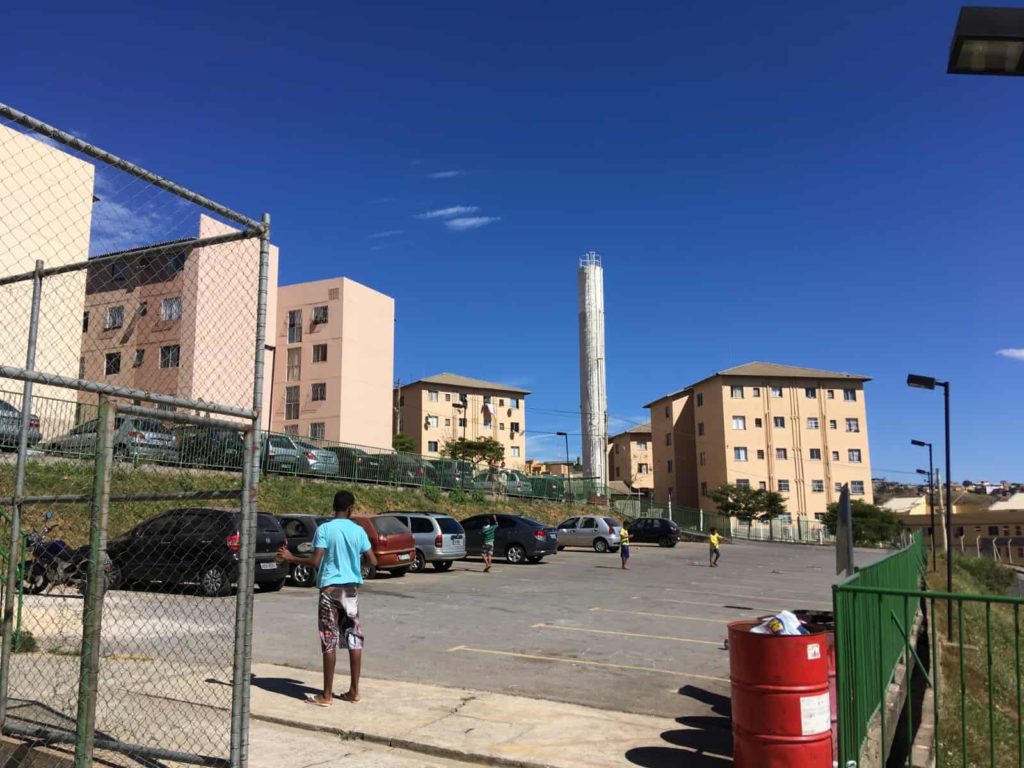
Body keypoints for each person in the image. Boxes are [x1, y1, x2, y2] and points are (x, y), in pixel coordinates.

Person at [277, 490, 376, 706]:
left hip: (330, 590)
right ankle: (354, 692)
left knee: (329, 640)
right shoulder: (358, 531)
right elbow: (373, 560)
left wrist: (291, 557)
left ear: (334, 507)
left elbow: (315, 562)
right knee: (354, 638)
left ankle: (327, 695)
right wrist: (355, 567)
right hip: (350, 590)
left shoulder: (325, 529)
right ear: (350, 508)